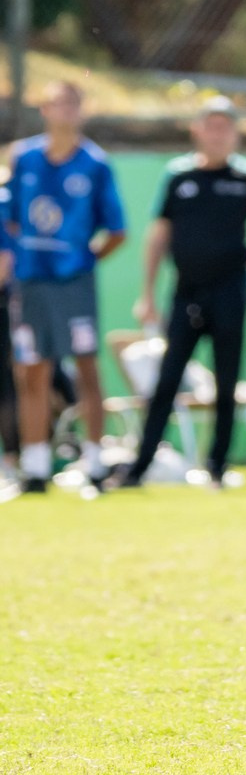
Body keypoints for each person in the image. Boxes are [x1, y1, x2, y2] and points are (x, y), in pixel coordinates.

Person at [110, 98, 246, 491]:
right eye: (210, 126)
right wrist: (147, 293)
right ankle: (140, 466)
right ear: (196, 131)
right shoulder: (178, 176)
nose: (217, 135)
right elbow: (158, 236)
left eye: (225, 128)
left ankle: (217, 466)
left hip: (230, 290)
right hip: (185, 292)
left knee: (227, 378)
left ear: (235, 135)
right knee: (167, 379)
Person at [5, 81, 128, 491]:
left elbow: (117, 229)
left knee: (86, 368)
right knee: (31, 371)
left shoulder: (95, 163)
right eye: (59, 103)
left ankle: (95, 463)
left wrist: (83, 259)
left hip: (74, 282)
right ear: (44, 109)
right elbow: (11, 216)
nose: (67, 110)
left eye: (74, 103)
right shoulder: (24, 158)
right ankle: (35, 466)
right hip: (32, 281)